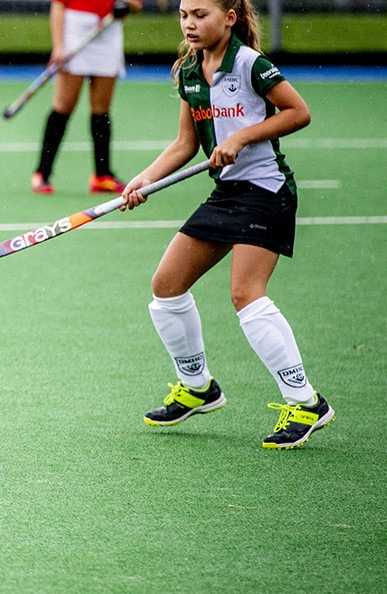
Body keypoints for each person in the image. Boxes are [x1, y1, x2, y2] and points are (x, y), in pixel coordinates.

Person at [120, 0, 331, 449]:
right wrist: (145, 179)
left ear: (229, 17)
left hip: (266, 191)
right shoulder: (188, 71)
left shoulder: (251, 64)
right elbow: (184, 144)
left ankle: (305, 400)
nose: (190, 24)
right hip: (227, 194)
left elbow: (298, 112)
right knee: (166, 286)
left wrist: (240, 136)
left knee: (245, 294)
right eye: (184, 15)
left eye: (201, 14)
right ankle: (198, 387)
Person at [31, 0, 141, 195]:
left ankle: (102, 176)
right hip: (74, 31)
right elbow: (58, 5)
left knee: (101, 109)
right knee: (64, 106)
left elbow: (136, 5)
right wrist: (58, 47)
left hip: (108, 30)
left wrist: (125, 5)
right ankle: (42, 172)